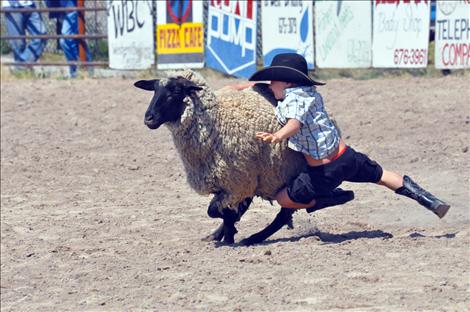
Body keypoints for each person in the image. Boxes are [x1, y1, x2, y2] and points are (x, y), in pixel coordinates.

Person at [249, 53, 450, 218]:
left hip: (323, 172)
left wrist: (278, 135)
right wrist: (242, 88)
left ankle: (327, 197)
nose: (269, 84)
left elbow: (294, 123)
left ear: (287, 83)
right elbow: (276, 98)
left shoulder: (294, 100)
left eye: (273, 80)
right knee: (382, 175)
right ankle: (427, 199)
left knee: (282, 198)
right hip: (347, 156)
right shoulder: (308, 93)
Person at [45, 0, 91, 78]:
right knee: (72, 39)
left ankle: (79, 66)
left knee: (66, 38)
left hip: (70, 8)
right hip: (61, 10)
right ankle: (82, 68)